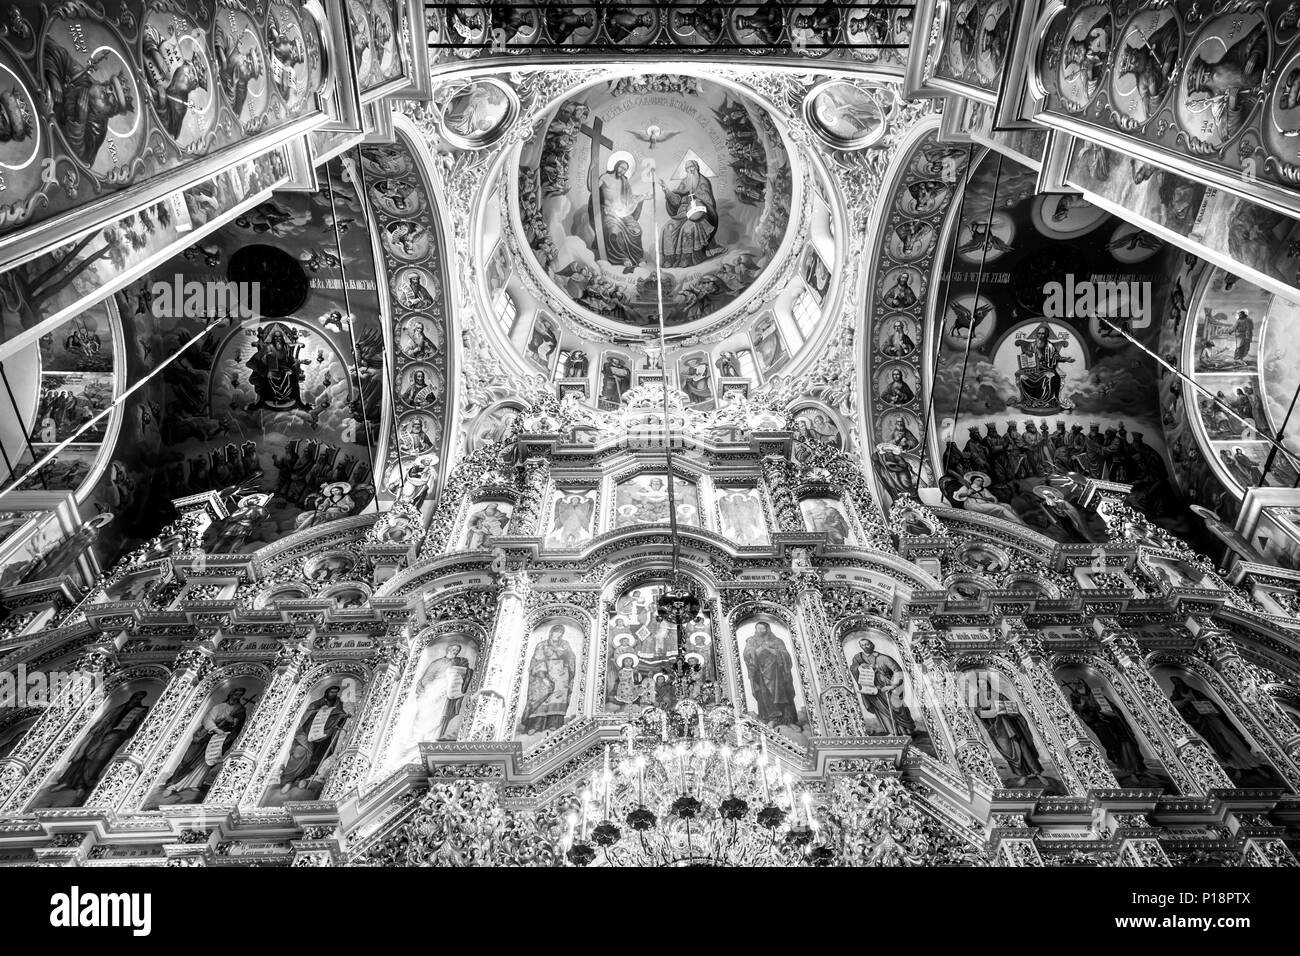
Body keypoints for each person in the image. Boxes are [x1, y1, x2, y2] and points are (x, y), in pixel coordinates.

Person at [50, 690, 151, 798]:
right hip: (102, 733)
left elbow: (140, 727)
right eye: (136, 696)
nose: (137, 699)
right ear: (132, 696)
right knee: (85, 754)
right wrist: (96, 730)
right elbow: (106, 719)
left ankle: (82, 785)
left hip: (116, 736)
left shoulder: (141, 710)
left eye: (140, 698)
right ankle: (67, 782)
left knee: (100, 757)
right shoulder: (119, 707)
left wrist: (136, 721)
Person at [159, 688, 251, 802]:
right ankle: (173, 783)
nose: (237, 696)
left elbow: (238, 725)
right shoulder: (219, 707)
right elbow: (208, 720)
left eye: (240, 694)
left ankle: (194, 783)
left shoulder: (240, 709)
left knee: (206, 760)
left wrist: (231, 720)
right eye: (236, 693)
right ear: (231, 694)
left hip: (219, 740)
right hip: (204, 736)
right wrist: (216, 729)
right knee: (188, 760)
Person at [276, 685, 350, 793]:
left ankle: (303, 778)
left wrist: (343, 716)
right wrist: (317, 712)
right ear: (326, 692)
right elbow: (307, 715)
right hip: (309, 731)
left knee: (317, 756)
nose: (333, 695)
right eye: (331, 692)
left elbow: (339, 713)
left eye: (335, 692)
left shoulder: (338, 703)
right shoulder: (316, 704)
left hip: (325, 734)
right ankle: (288, 780)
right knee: (299, 753)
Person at [660, 160, 722, 267]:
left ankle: (688, 258)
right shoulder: (684, 182)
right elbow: (676, 201)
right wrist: (667, 191)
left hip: (699, 214)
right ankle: (670, 258)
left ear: (697, 168)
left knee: (688, 228)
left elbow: (708, 201)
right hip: (683, 213)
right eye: (688, 168)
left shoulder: (703, 182)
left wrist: (696, 199)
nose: (691, 170)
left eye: (692, 167)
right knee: (668, 227)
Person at [847, 638, 915, 736]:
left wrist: (892, 686)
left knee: (897, 709)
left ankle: (905, 732)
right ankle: (892, 732)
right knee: (882, 711)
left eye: (867, 644)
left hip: (888, 688)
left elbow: (898, 671)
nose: (866, 646)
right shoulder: (858, 658)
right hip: (872, 689)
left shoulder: (883, 658)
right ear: (861, 647)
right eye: (863, 645)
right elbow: (853, 668)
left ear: (872, 644)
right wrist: (861, 667)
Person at [518, 625, 577, 735]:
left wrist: (565, 653)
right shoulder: (542, 644)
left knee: (558, 699)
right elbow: (537, 660)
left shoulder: (565, 644)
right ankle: (536, 725)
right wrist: (542, 675)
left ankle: (553, 725)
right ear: (551, 632)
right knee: (541, 697)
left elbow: (571, 657)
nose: (558, 634)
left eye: (561, 633)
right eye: (556, 632)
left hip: (561, 675)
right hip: (545, 673)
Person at [743, 622, 799, 727]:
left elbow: (785, 655)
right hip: (760, 673)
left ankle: (788, 720)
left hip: (777, 673)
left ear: (767, 629)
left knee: (782, 693)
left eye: (762, 628)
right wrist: (758, 650)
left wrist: (771, 649)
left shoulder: (777, 641)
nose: (760, 631)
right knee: (764, 694)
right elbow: (747, 654)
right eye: (758, 628)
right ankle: (772, 718)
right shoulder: (751, 641)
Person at [596, 158, 646, 271]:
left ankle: (638, 258)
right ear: (616, 165)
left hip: (623, 213)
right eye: (621, 167)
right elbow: (593, 189)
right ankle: (621, 258)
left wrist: (641, 198)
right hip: (609, 212)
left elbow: (630, 198)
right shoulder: (605, 178)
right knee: (614, 232)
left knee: (637, 230)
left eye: (625, 170)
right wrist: (592, 170)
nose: (622, 171)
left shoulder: (624, 181)